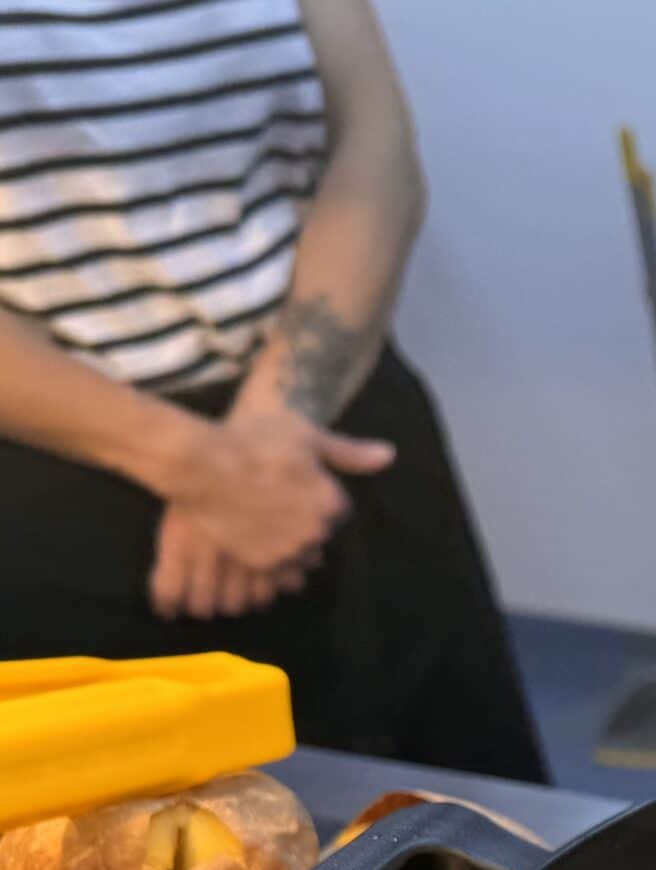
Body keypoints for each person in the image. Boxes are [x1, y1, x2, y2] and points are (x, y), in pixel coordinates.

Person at [0, 0, 547, 783]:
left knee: (473, 830)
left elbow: (374, 144)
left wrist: (271, 427)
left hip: (326, 433)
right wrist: (197, 465)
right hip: (61, 471)